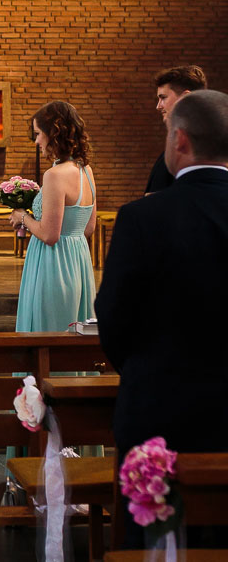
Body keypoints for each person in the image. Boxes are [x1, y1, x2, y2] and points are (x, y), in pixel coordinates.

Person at [97, 90, 228, 549]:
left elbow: (112, 316)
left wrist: (142, 370)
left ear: (181, 141)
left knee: (152, 541)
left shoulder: (142, 218)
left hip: (159, 410)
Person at [9, 101, 97, 332]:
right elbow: (88, 228)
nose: (36, 141)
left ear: (54, 133)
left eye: (38, 134)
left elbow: (50, 235)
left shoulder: (54, 176)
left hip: (52, 266)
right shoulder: (86, 171)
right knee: (73, 332)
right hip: (78, 263)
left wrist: (22, 217)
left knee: (47, 330)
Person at [145, 65, 207, 194]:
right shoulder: (213, 146)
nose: (158, 106)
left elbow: (153, 206)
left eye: (163, 97)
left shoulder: (179, 152)